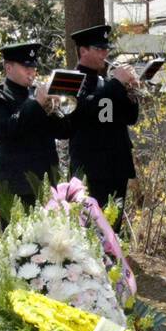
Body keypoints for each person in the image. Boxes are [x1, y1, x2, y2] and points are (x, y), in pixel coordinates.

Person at [0, 41, 74, 213]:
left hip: (47, 185)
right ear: (8, 68)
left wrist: (56, 109)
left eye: (33, 67)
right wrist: (36, 103)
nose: (32, 71)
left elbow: (64, 131)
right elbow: (6, 129)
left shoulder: (39, 96)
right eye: (25, 66)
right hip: (15, 187)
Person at [67, 24, 140, 228]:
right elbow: (85, 108)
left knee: (113, 226)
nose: (104, 54)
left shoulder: (104, 81)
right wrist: (116, 85)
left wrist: (131, 93)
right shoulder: (71, 80)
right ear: (83, 51)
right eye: (99, 49)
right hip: (92, 167)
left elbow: (129, 118)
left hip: (116, 164)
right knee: (92, 226)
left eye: (105, 49)